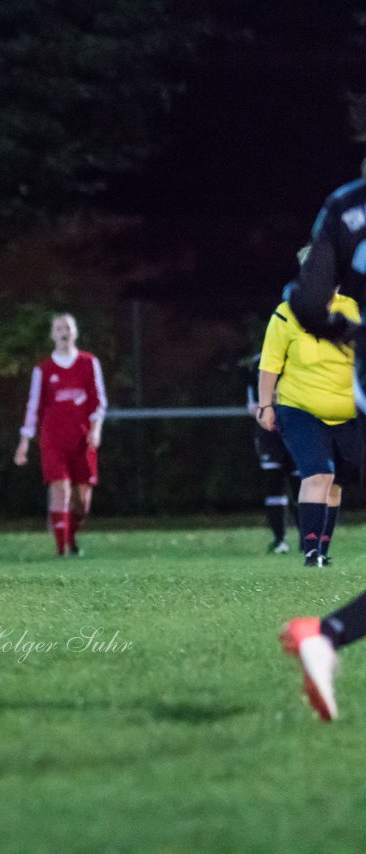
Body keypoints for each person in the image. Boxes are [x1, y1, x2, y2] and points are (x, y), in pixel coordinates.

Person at [281, 145, 366, 721]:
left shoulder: (344, 206)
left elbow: (306, 300)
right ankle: (325, 635)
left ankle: (325, 636)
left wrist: (338, 327)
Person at [255, 292, 360, 567]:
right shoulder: (286, 313)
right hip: (300, 407)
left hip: (348, 413)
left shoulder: (351, 308)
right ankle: (311, 553)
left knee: (336, 482)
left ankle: (322, 550)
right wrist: (266, 405)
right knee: (319, 474)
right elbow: (270, 363)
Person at [13, 313, 107, 557]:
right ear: (52, 334)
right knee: (60, 489)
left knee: (82, 500)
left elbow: (99, 401)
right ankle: (60, 550)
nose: (63, 332)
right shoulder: (43, 370)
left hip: (82, 439)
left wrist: (96, 430)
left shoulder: (88, 363)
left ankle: (71, 537)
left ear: (75, 332)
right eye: (58, 328)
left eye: (67, 327)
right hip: (53, 440)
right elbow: (33, 406)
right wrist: (25, 441)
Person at [245, 354, 300, 554]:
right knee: (275, 486)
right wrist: (268, 404)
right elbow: (252, 406)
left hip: (297, 433)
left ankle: (309, 540)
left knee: (302, 486)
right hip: (270, 436)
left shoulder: (299, 359)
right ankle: (280, 540)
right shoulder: (258, 363)